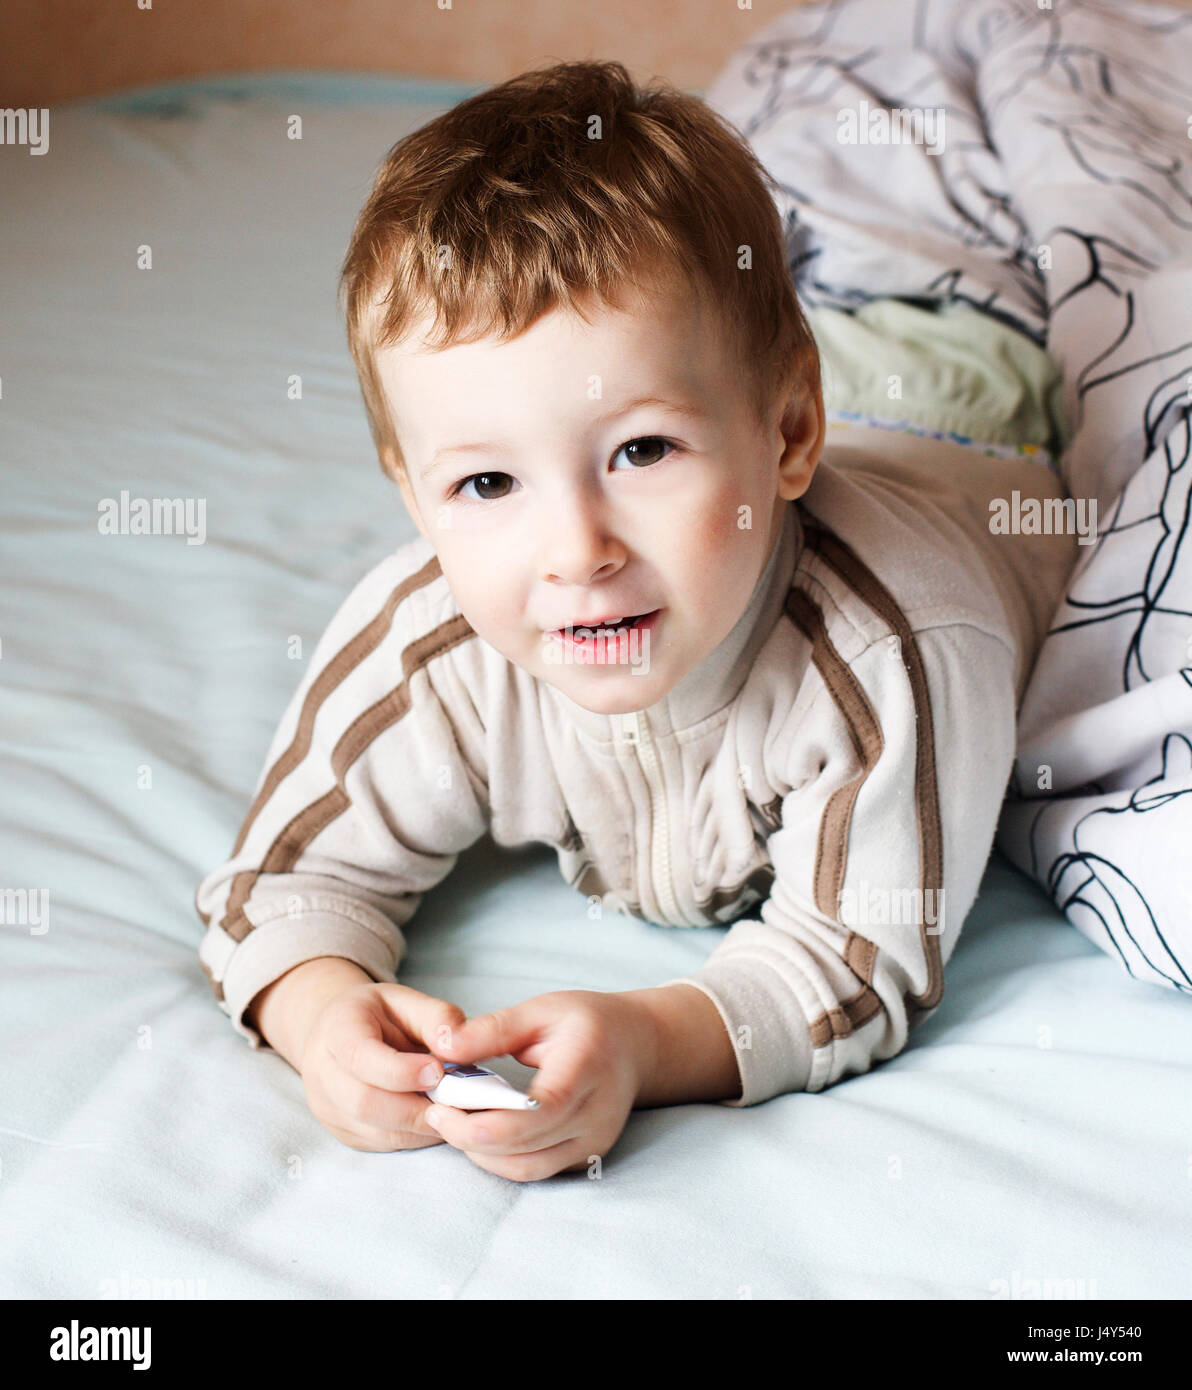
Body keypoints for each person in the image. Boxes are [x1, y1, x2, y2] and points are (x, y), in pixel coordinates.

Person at [194, 60, 1076, 1182]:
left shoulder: (891, 644)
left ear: (788, 433)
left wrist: (645, 1040)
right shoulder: (438, 645)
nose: (576, 551)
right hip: (794, 385)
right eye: (486, 486)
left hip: (962, 411)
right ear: (413, 495)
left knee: (986, 283)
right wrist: (321, 1016)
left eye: (641, 452)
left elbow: (856, 959)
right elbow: (280, 887)